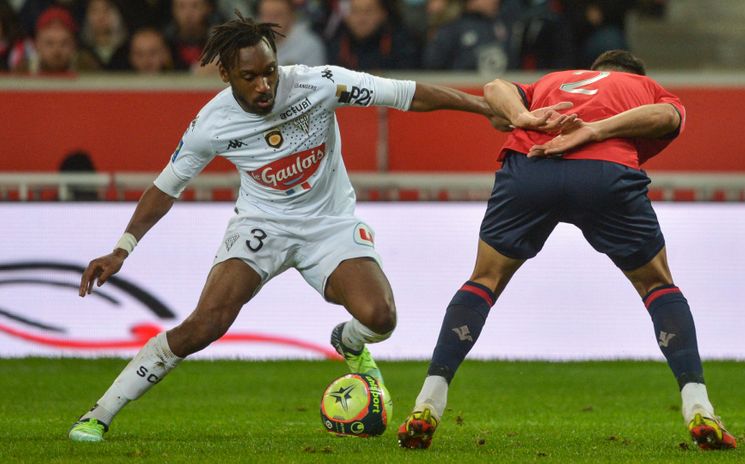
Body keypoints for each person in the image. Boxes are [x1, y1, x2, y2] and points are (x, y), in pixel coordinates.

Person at [67, 11, 514, 442]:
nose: (264, 86)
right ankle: (99, 414)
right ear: (225, 74)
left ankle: (350, 341)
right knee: (204, 325)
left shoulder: (316, 84)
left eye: (270, 72)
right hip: (262, 225)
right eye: (250, 77)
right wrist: (122, 248)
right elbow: (165, 188)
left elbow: (404, 93)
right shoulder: (212, 123)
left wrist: (481, 108)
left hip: (329, 223)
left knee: (381, 317)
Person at [397, 50, 738, 451]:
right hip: (605, 173)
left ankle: (428, 403)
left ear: (593, 72)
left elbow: (494, 88)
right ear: (633, 76)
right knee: (657, 284)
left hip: (529, 166)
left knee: (484, 279)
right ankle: (698, 406)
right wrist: (595, 130)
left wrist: (523, 119)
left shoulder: (552, 80)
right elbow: (668, 117)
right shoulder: (643, 86)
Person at [326, 0, 419, 71]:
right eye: (355, 11)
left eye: (368, 11)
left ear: (383, 14)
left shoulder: (402, 44)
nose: (361, 19)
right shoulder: (336, 45)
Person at [256, 0, 326, 66]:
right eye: (265, 15)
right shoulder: (254, 43)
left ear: (291, 17)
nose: (269, 22)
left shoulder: (310, 46)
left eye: (276, 16)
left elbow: (315, 78)